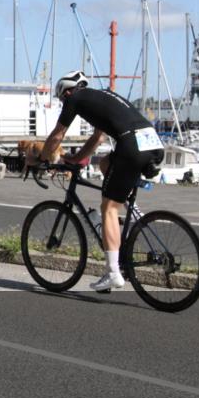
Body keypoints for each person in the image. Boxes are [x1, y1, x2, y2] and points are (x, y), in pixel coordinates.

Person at [31, 70, 165, 292]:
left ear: (67, 92)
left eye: (62, 99)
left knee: (108, 208)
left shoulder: (74, 99)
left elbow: (57, 135)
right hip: (152, 142)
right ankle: (134, 214)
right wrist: (76, 158)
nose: (64, 103)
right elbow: (97, 137)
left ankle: (113, 273)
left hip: (131, 146)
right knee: (105, 164)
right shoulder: (103, 95)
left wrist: (42, 159)